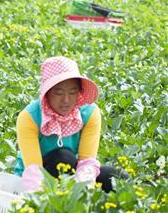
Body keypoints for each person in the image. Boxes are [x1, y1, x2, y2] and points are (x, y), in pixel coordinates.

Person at [14, 56, 125, 192]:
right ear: (47, 93)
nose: (66, 100)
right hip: (33, 179)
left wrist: (82, 193)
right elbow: (33, 170)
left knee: (115, 177)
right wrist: (39, 203)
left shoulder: (89, 113)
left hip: (73, 174)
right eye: (58, 92)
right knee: (63, 158)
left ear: (79, 92)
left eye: (72, 92)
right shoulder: (29, 117)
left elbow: (86, 162)